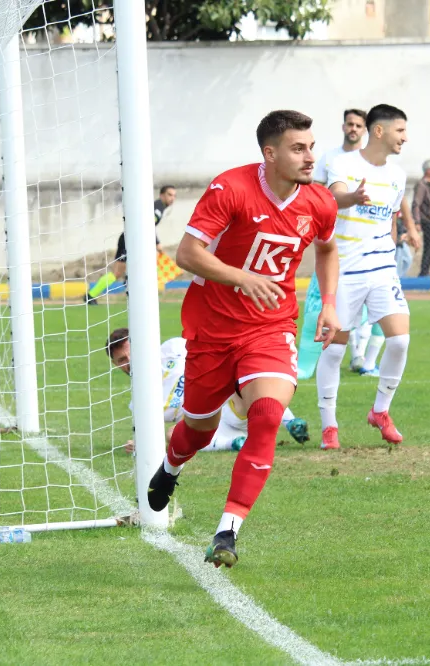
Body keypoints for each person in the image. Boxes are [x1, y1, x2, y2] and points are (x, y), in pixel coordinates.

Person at [146, 110, 340, 568]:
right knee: (198, 428)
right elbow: (187, 253)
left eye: (311, 147)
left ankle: (227, 531)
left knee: (267, 415)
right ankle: (171, 466)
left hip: (271, 327)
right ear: (269, 153)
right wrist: (242, 278)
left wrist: (329, 302)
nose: (310, 157)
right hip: (212, 328)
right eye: (298, 148)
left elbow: (328, 249)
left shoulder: (320, 201)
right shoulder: (230, 188)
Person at [315, 103, 419, 451]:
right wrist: (352, 197)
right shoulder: (343, 163)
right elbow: (333, 197)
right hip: (345, 270)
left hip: (382, 268)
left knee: (400, 341)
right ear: (379, 131)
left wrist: (394, 247)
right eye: (400, 130)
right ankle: (329, 426)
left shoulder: (398, 175)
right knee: (334, 352)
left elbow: (390, 219)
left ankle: (380, 411)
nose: (405, 137)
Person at [104, 329, 310, 454]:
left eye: (131, 354)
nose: (129, 362)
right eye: (122, 360)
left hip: (231, 404)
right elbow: (150, 434)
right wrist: (140, 444)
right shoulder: (139, 401)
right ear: (115, 365)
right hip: (211, 428)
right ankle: (235, 443)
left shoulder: (173, 348)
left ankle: (291, 422)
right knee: (172, 434)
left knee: (242, 377)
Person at [85, 184, 175, 304]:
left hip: (133, 241)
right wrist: (157, 243)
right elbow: (148, 226)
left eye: (174, 196)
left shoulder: (159, 208)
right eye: (169, 195)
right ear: (162, 195)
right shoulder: (157, 209)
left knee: (136, 267)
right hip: (129, 241)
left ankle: (129, 283)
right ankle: (91, 295)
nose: (172, 198)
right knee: (117, 273)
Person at [314, 108, 367, 184]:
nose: (354, 129)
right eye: (350, 124)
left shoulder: (370, 158)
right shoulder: (328, 157)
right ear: (343, 127)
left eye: (358, 126)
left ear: (364, 131)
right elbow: (317, 187)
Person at [395, 198, 415, 277]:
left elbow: (404, 220)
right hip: (396, 241)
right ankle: (397, 279)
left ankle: (400, 278)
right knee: (398, 263)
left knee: (408, 259)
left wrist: (407, 232)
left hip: (401, 238)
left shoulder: (400, 204)